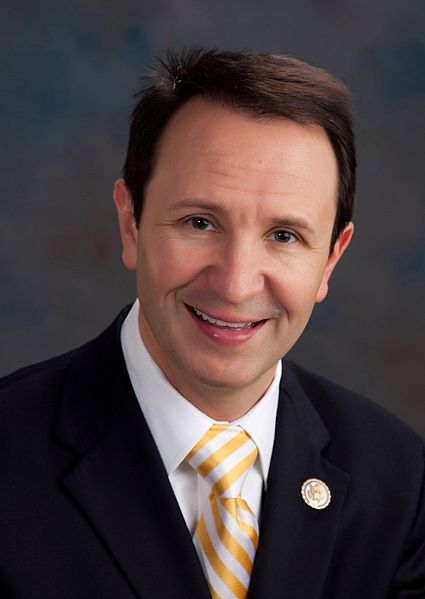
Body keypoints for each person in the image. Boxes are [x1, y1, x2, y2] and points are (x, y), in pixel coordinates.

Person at [0, 48, 423, 599]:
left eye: (285, 236)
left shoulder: (400, 480)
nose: (236, 283)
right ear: (131, 224)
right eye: (200, 222)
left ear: (331, 260)